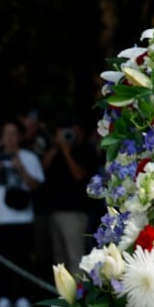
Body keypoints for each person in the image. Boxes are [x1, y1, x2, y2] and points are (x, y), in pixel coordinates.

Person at [0, 118, 44, 307]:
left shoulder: (29, 157)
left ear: (19, 136)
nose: (9, 138)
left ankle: (23, 297)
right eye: (6, 134)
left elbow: (36, 186)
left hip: (22, 217)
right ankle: (2, 297)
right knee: (0, 259)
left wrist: (21, 168)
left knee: (23, 259)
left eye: (13, 133)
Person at [34, 114, 100, 275]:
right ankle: (64, 297)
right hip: (54, 211)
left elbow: (79, 175)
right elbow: (42, 168)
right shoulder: (55, 150)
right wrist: (57, 147)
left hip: (75, 213)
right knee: (59, 261)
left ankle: (78, 298)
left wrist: (66, 151)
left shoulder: (86, 150)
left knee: (75, 258)